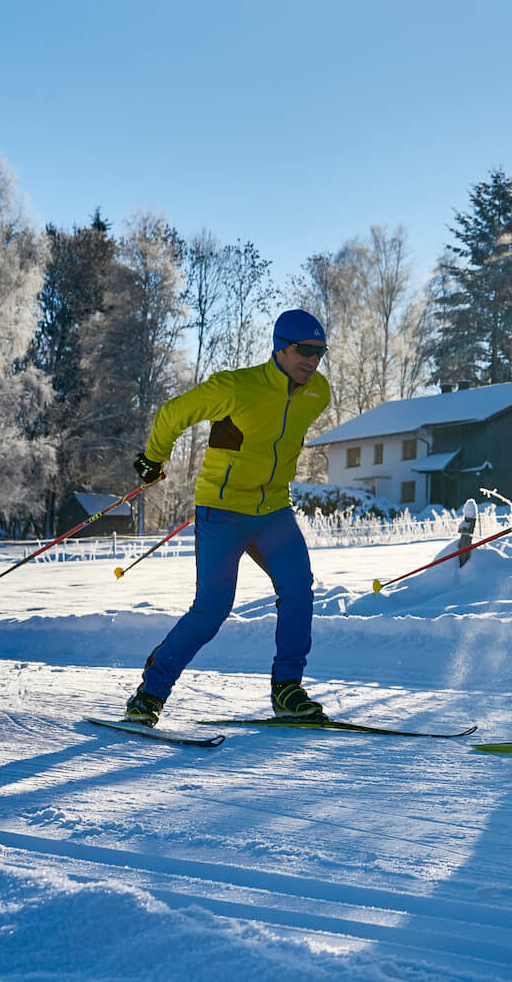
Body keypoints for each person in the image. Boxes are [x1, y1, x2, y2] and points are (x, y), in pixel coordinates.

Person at [122, 309, 334, 726]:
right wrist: (153, 458)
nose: (312, 361)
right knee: (212, 609)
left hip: (272, 508)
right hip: (222, 512)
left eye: (320, 353)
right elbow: (172, 414)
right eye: (305, 351)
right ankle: (150, 694)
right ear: (281, 347)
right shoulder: (236, 387)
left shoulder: (318, 393)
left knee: (299, 590)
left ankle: (288, 690)